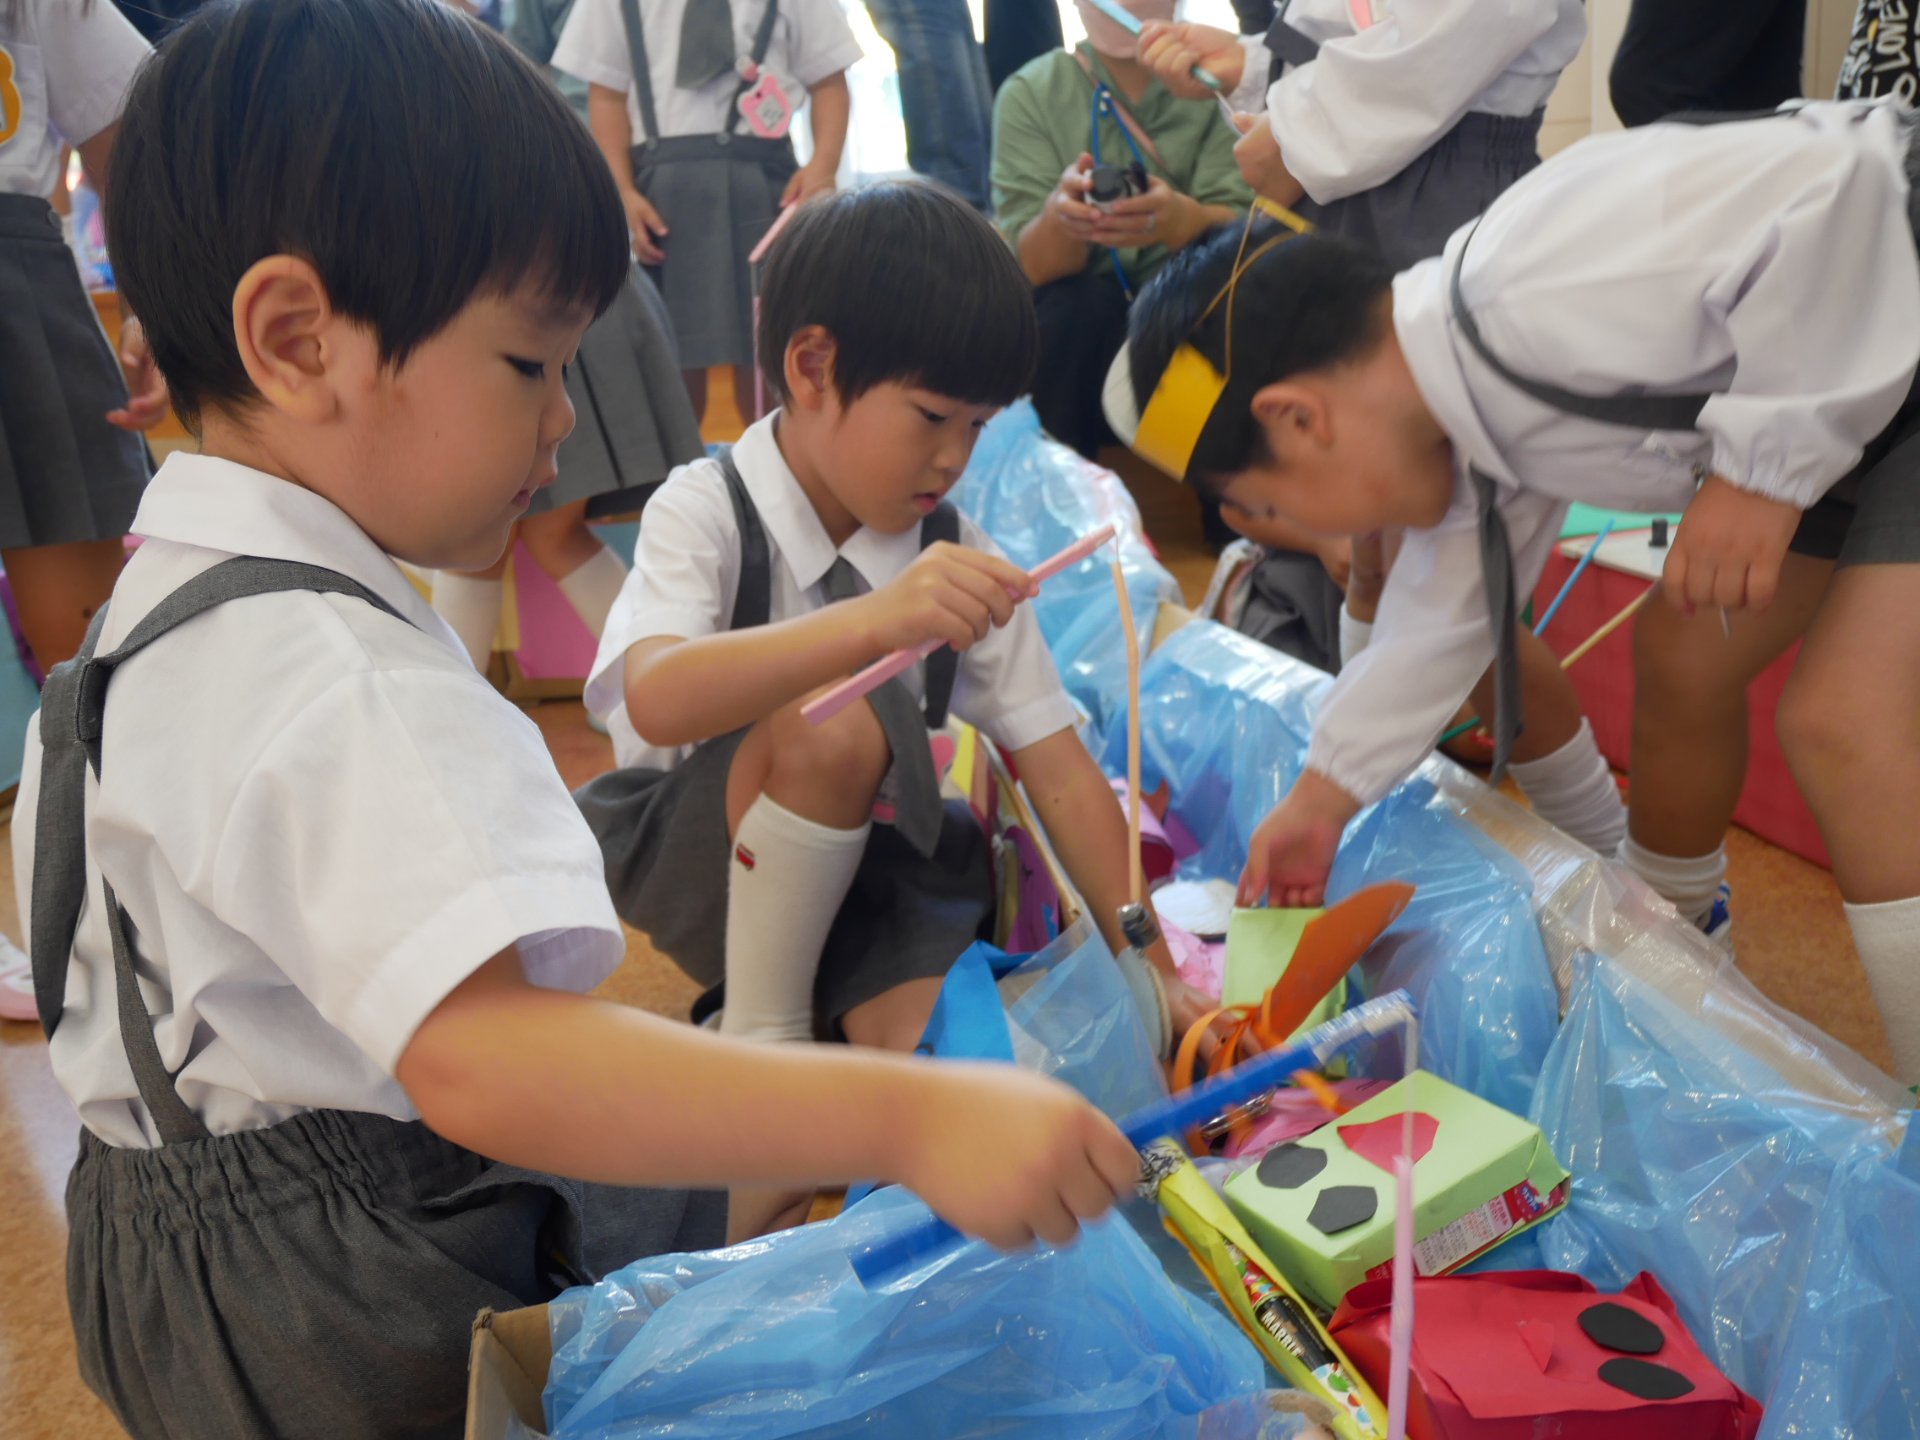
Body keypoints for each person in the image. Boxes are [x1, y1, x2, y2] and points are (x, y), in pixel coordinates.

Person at [19, 5, 1143, 1433]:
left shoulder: (155, 613)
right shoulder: (330, 668)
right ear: (298, 339)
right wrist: (908, 1115)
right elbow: (489, 1060)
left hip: (162, 1246)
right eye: (529, 365)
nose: (564, 427)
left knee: (688, 1175)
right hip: (336, 1299)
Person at [1104, 100, 1920, 1084]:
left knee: (1842, 719)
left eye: (1273, 501)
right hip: (1847, 409)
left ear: (1302, 419)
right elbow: (1432, 630)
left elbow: (1843, 188)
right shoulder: (1467, 432)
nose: (1302, 527)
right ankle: (1677, 958)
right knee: (1685, 648)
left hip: (1880, 318)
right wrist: (1321, 800)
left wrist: (1761, 466)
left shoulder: (1531, 282)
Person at [577, 179, 1206, 1239]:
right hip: (702, 843)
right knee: (838, 722)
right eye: (930, 417)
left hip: (883, 874)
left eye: (979, 424)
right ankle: (768, 1049)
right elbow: (654, 691)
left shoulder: (957, 552)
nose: (955, 455)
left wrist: (1148, 960)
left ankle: (817, 1044)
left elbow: (1056, 768)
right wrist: (876, 626)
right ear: (813, 366)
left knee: (951, 1082)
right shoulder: (706, 506)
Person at [1130, 0, 1623, 858]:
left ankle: (1616, 862)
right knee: (1381, 564)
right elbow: (1363, 28)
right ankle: (1363, 798)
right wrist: (1253, 65)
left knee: (1444, 579)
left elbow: (1453, 35)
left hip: (1421, 185)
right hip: (1344, 182)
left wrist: (1293, 129)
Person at [428, 0, 706, 682]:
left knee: (522, 531)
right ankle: (662, 692)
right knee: (489, 536)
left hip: (572, 306)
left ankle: (666, 691)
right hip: (560, 300)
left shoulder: (479, 97)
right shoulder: (464, 87)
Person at [0, 0, 168, 1024]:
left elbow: (132, 142)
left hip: (18, 280)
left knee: (103, 642)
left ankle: (138, 908)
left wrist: (158, 297)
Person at [553, 0, 855, 429]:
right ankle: (681, 476)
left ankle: (775, 467)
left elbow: (828, 79)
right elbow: (607, 92)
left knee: (771, 349)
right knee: (673, 356)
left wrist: (822, 167)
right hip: (662, 197)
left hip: (765, 188)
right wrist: (621, 189)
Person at [991, 0, 1250, 460]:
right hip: (1081, 337)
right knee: (1067, 309)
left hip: (1189, 323)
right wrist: (1062, 219)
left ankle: (1227, 519)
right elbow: (1031, 269)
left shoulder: (1220, 81)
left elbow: (1251, 236)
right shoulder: (1030, 93)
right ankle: (1061, 505)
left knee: (1213, 304)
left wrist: (1181, 221)